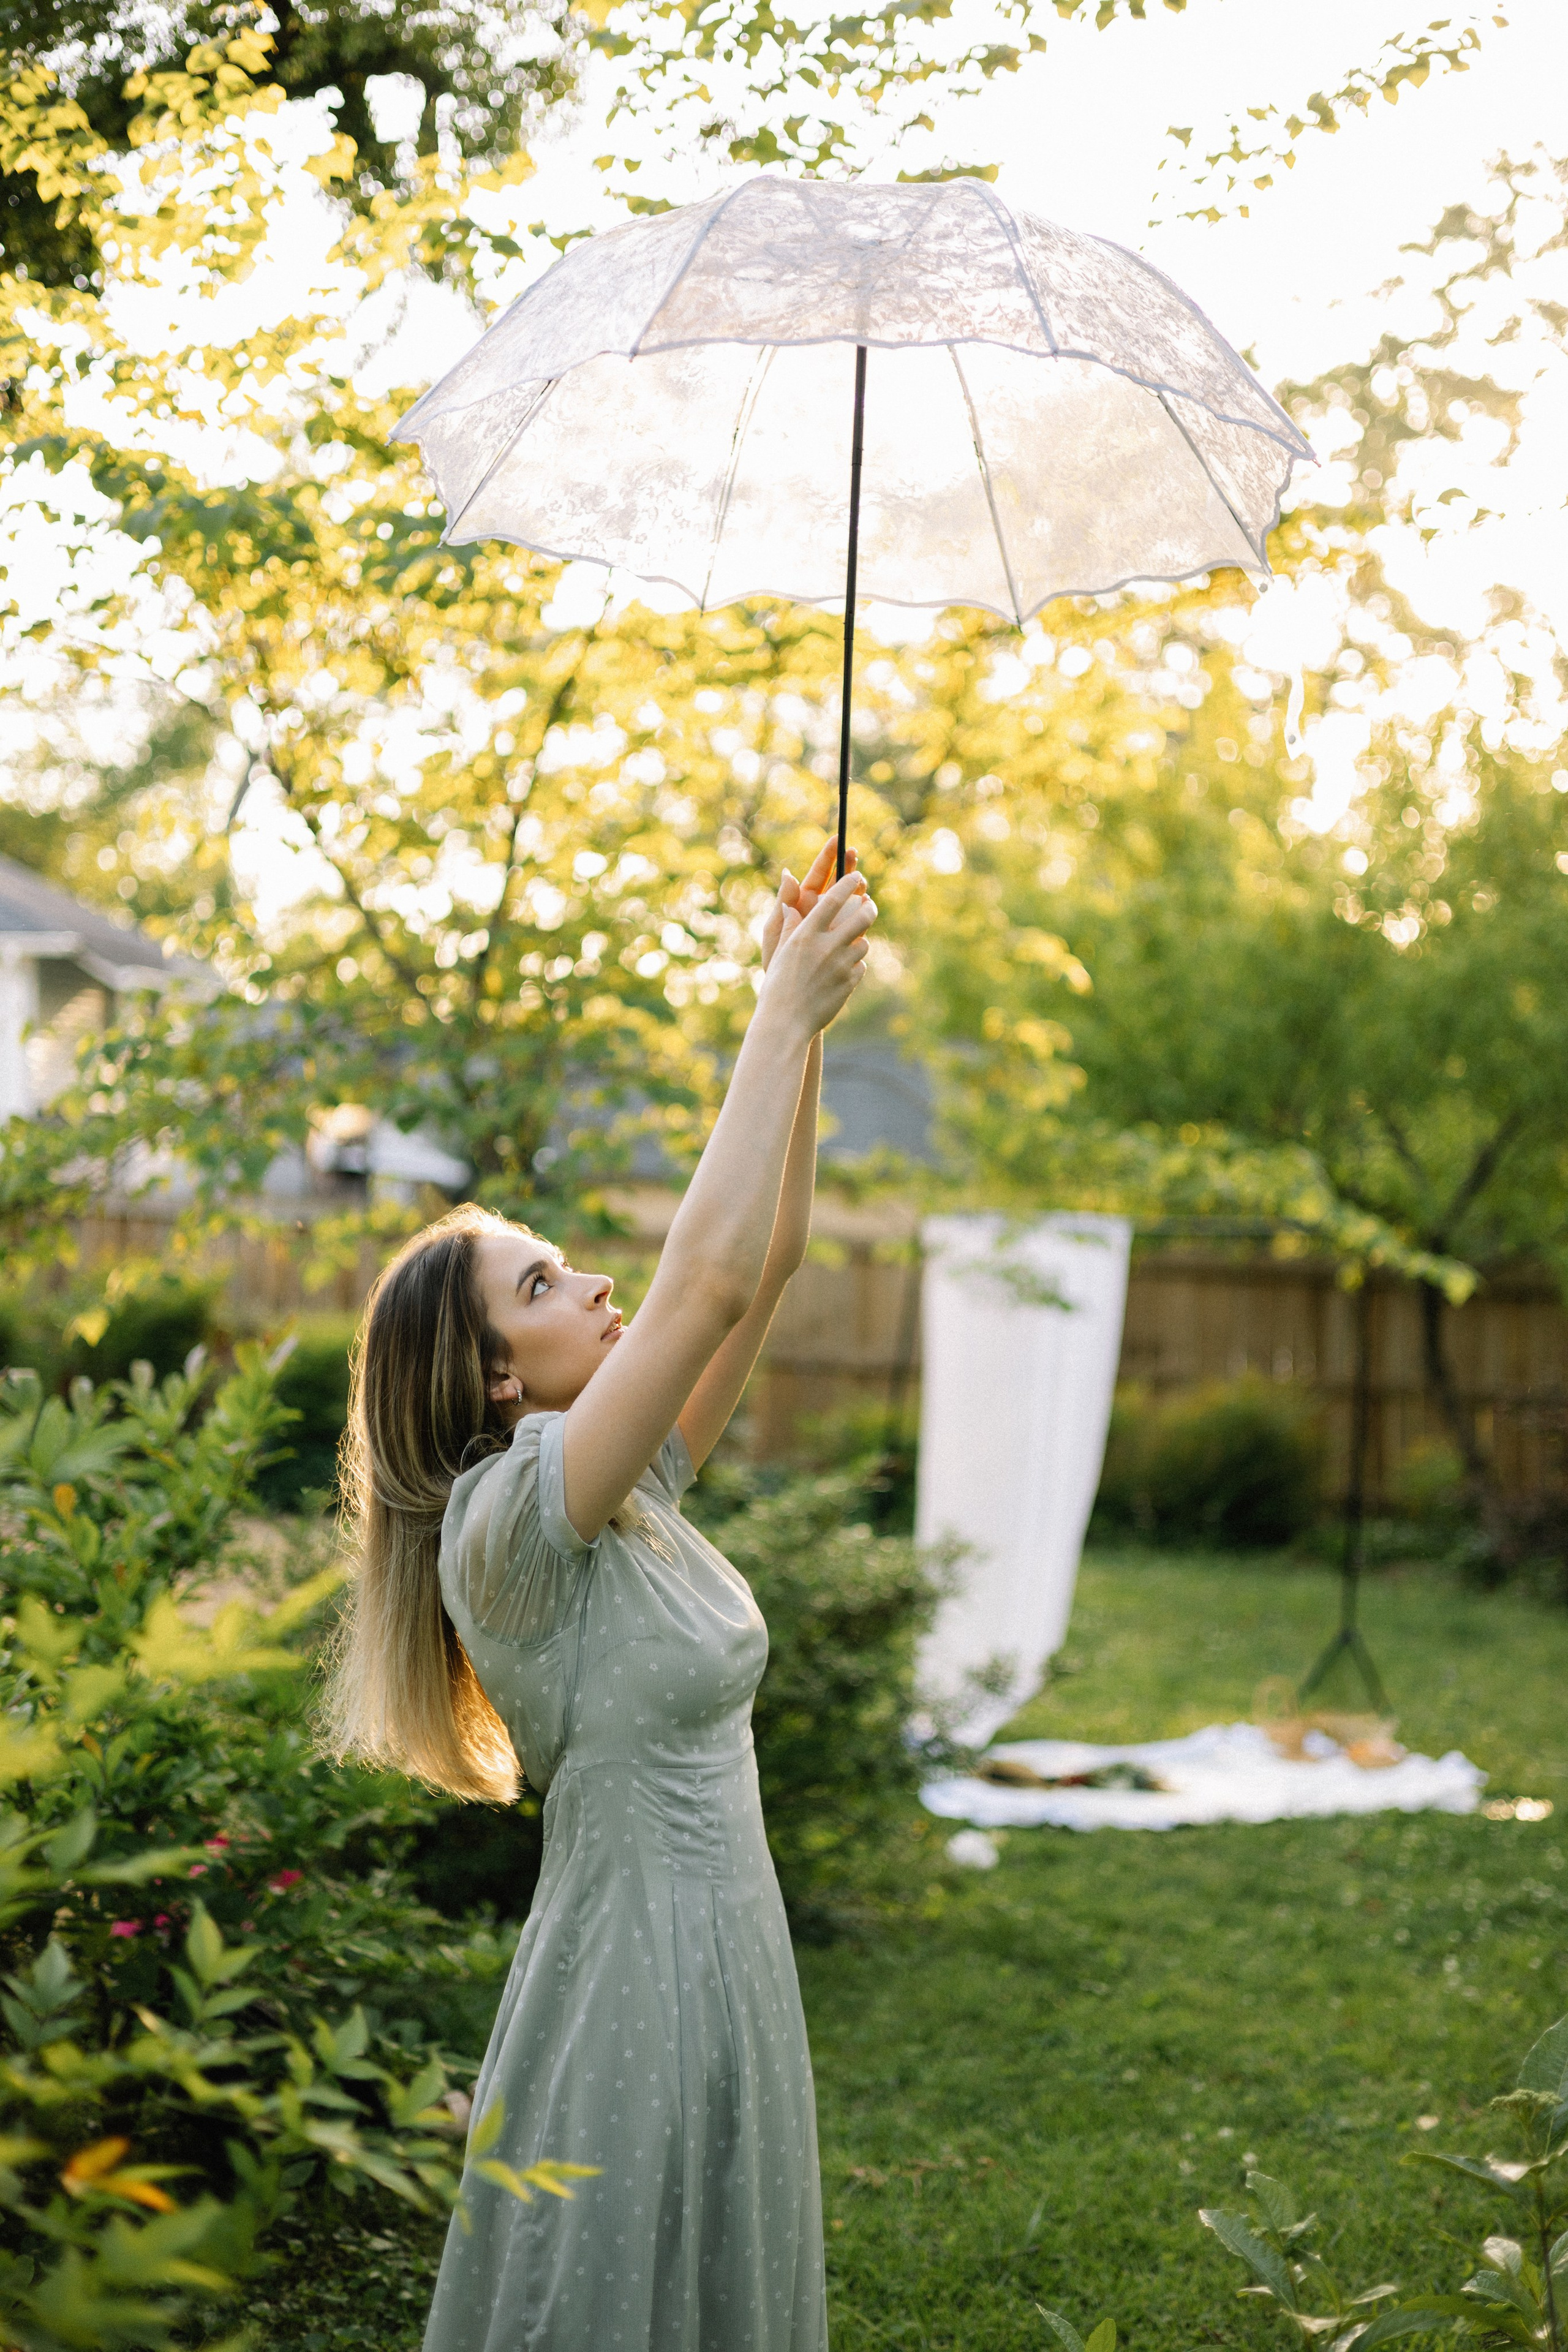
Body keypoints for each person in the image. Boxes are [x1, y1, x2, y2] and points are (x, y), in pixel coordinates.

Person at [323, 840, 876, 2352]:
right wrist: (768, 1011)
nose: (596, 1289)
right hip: (628, 1975)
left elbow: (758, 1268)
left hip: (728, 1943)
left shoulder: (625, 1485)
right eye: (548, 1282)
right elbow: (695, 1282)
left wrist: (807, 1026)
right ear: (497, 1375)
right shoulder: (508, 1523)